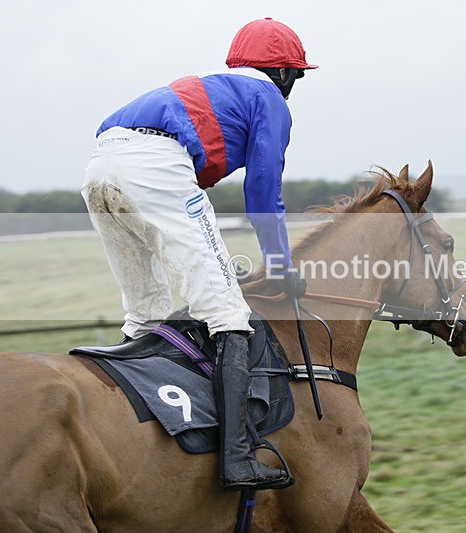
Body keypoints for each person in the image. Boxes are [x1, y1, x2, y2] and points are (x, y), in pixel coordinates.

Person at [81, 17, 314, 491]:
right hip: (156, 166)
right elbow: (264, 192)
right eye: (297, 77)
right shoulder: (268, 98)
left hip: (99, 166)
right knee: (228, 313)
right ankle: (237, 460)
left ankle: (130, 433)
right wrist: (281, 265)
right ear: (286, 74)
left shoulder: (216, 87)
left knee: (146, 315)